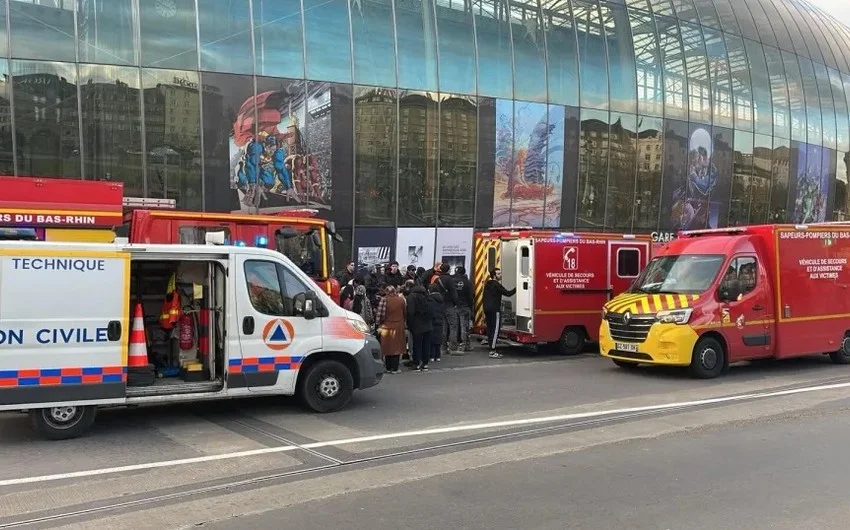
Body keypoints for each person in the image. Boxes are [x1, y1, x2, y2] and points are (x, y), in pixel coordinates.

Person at [483, 268, 515, 359]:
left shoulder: (487, 284)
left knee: (490, 329)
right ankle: (492, 351)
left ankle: (491, 348)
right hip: (495, 310)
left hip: (487, 309)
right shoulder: (497, 285)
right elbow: (508, 293)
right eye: (498, 274)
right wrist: (518, 287)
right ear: (494, 275)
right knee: (495, 330)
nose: (500, 275)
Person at [376, 286, 406, 374]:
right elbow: (405, 313)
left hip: (387, 326)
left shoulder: (384, 300)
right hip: (399, 325)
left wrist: (378, 324)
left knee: (387, 348)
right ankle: (395, 368)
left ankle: (388, 368)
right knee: (397, 348)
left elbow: (379, 314)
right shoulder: (401, 300)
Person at [406, 284, 432, 371]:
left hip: (417, 324)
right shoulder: (426, 295)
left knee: (417, 345)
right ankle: (425, 363)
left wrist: (409, 324)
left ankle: (416, 363)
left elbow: (411, 312)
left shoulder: (411, 297)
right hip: (428, 323)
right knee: (426, 344)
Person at [434, 263, 459, 354]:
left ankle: (443, 348)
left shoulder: (437, 279)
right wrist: (456, 303)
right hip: (449, 305)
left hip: (441, 305)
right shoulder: (450, 279)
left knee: (443, 327)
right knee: (453, 326)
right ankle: (453, 348)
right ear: (448, 270)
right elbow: (453, 293)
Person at [453, 265, 474, 352]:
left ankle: (454, 344)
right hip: (465, 307)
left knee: (455, 327)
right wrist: (470, 307)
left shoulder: (452, 281)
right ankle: (464, 344)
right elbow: (470, 296)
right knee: (464, 327)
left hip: (455, 307)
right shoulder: (468, 282)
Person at [427, 283, 446, 363]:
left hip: (432, 321)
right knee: (438, 339)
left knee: (431, 339)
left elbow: (430, 310)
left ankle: (432, 356)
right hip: (440, 320)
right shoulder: (441, 299)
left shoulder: (430, 299)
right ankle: (438, 356)